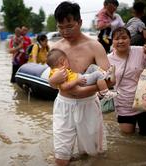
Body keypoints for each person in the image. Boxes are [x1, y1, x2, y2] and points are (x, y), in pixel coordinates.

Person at [49, 1, 113, 165]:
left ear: (80, 22)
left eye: (69, 26)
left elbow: (109, 79)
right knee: (61, 159)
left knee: (93, 156)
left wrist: (83, 91)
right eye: (60, 27)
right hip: (63, 105)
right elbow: (51, 81)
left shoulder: (94, 46)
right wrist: (53, 81)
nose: (65, 31)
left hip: (88, 105)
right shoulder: (56, 48)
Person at [108, 27, 146, 137]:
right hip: (123, 104)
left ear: (130, 39)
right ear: (112, 41)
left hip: (144, 102)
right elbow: (104, 81)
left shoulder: (141, 51)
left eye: (124, 38)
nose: (120, 41)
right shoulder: (108, 59)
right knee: (128, 138)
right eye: (116, 39)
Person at [47, 48, 117, 99]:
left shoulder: (56, 71)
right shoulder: (60, 72)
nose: (69, 62)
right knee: (98, 74)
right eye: (67, 60)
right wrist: (77, 81)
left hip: (81, 77)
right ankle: (105, 92)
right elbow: (64, 87)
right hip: (82, 81)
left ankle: (106, 75)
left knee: (92, 67)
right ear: (62, 62)